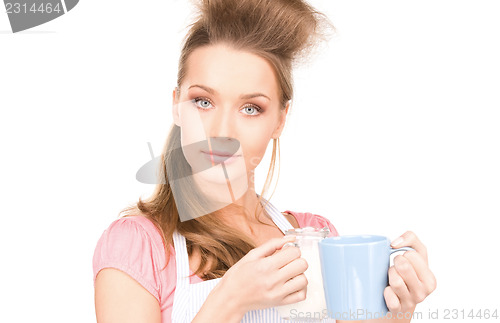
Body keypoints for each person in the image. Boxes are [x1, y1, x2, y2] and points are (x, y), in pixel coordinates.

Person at [92, 0, 437, 322]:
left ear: (280, 120)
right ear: (176, 105)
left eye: (250, 108)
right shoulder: (139, 247)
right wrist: (228, 301)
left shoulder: (315, 238)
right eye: (202, 101)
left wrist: (394, 314)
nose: (221, 131)